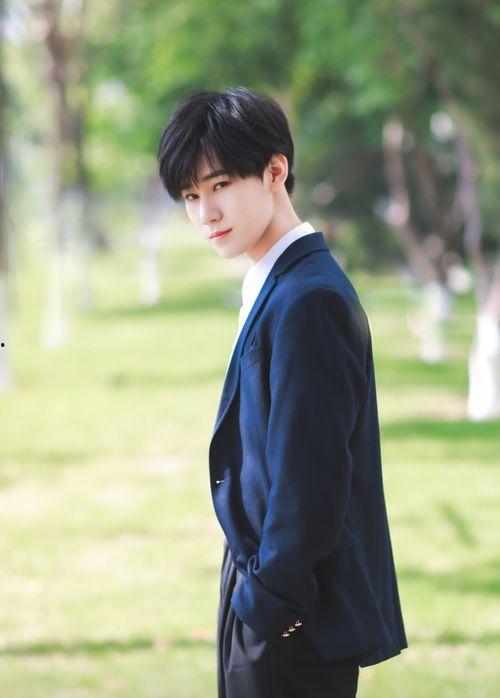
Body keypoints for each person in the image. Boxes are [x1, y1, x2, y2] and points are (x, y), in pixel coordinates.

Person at [157, 86, 408, 697]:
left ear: (275, 171)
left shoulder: (308, 299)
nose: (205, 213)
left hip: (293, 617)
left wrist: (270, 606)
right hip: (268, 594)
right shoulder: (277, 284)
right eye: (190, 196)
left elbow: (311, 477)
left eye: (219, 185)